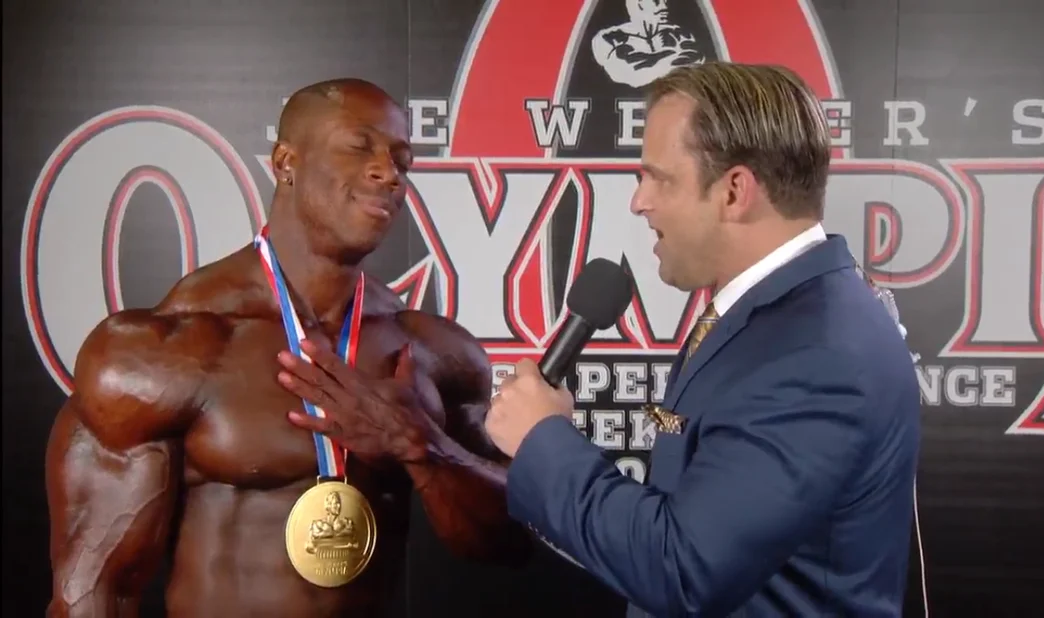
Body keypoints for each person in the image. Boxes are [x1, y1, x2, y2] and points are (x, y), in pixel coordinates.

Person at [45, 78, 530, 618]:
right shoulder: (164, 349)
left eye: (402, 161)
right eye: (359, 146)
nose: (389, 173)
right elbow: (96, 594)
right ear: (285, 163)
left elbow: (509, 543)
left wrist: (421, 447)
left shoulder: (432, 352)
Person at [485, 62, 921, 617]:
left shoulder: (817, 353)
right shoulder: (776, 315)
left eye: (658, 179)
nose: (638, 201)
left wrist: (542, 440)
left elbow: (683, 571)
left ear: (734, 191)